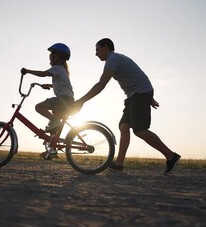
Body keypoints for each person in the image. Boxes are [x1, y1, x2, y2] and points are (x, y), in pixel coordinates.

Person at [74, 38, 180, 175]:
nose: (96, 54)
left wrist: (82, 100)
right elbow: (136, 74)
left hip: (139, 93)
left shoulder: (112, 60)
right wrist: (148, 95)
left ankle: (171, 156)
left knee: (140, 130)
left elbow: (101, 85)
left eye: (97, 49)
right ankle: (119, 164)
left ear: (106, 47)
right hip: (136, 94)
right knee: (124, 125)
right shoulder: (116, 59)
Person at [21, 43, 74, 133]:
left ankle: (55, 121)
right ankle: (53, 137)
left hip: (63, 99)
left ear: (57, 57)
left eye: (50, 57)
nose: (49, 61)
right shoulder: (63, 70)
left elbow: (43, 73)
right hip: (68, 100)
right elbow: (62, 85)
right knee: (54, 121)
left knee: (39, 107)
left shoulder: (58, 68)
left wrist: (27, 71)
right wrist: (48, 85)